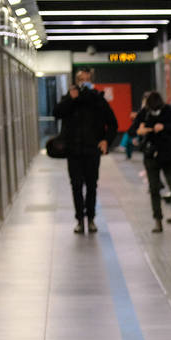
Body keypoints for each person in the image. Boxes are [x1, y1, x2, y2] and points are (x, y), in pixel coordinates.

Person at [53, 68, 118, 234]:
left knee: (91, 185)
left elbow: (112, 124)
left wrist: (106, 141)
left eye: (87, 79)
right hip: (73, 151)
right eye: (81, 79)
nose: (84, 82)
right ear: (76, 81)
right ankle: (80, 220)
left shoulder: (98, 99)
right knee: (76, 185)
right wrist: (71, 99)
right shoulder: (69, 97)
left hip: (92, 150)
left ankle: (91, 218)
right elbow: (57, 113)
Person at [130, 91, 171, 233]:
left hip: (168, 154)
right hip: (151, 154)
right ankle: (158, 220)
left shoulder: (167, 111)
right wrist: (142, 130)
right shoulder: (145, 112)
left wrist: (164, 127)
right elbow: (133, 130)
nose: (155, 111)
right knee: (154, 189)